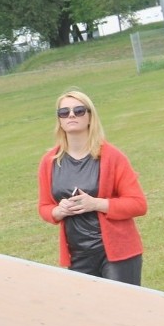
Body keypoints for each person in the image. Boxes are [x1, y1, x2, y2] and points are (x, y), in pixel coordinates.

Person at [38, 90, 148, 285]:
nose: (71, 115)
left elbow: (138, 204)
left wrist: (96, 203)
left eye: (78, 110)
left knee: (121, 311)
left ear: (89, 116)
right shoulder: (49, 162)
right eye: (64, 112)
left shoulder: (112, 157)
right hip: (78, 255)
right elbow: (44, 207)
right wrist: (58, 211)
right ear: (60, 121)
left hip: (116, 254)